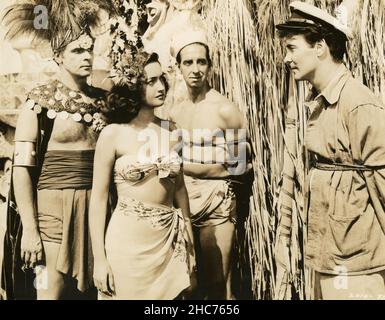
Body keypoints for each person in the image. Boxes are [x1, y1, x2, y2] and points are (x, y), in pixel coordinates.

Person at [1, 1, 115, 300]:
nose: (87, 56)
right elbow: (23, 170)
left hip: (100, 208)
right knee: (48, 290)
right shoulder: (37, 103)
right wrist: (30, 230)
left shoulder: (105, 102)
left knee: (101, 289)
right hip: (52, 212)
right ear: (58, 56)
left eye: (89, 49)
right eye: (77, 50)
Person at [276, 1, 385, 300]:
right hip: (329, 257)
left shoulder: (358, 103)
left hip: (358, 265)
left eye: (292, 48)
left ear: (320, 47)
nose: (286, 58)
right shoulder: (318, 103)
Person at [89, 50, 196, 300]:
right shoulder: (113, 134)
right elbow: (98, 198)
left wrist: (189, 237)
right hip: (126, 243)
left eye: (162, 79)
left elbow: (179, 189)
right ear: (133, 86)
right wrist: (100, 260)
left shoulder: (172, 132)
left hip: (168, 241)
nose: (160, 86)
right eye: (151, 81)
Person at [169, 28, 248, 299]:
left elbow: (239, 166)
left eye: (201, 62)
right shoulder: (174, 112)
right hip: (183, 203)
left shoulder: (225, 110)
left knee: (217, 282)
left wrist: (187, 166)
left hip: (217, 203)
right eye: (188, 62)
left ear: (210, 66)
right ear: (178, 66)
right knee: (188, 284)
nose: (195, 69)